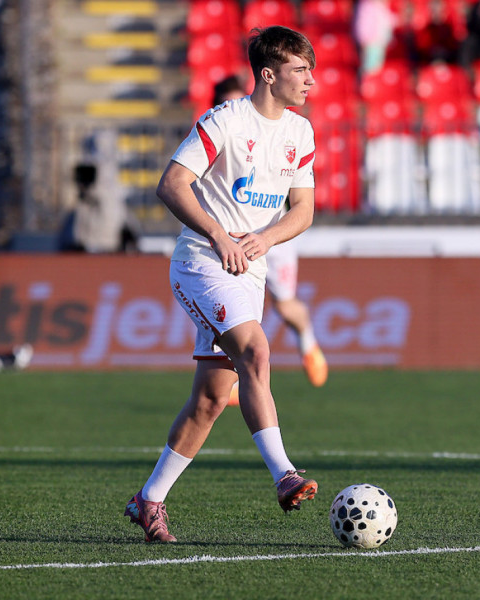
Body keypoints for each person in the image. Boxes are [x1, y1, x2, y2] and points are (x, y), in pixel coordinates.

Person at [123, 26, 319, 543]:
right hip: (201, 262)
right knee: (256, 350)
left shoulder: (300, 133)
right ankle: (285, 475)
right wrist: (217, 234)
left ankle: (149, 500)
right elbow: (171, 183)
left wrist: (264, 238)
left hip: (248, 272)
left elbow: (304, 210)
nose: (311, 81)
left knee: (211, 400)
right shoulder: (226, 120)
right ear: (269, 74)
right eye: (301, 70)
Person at [211, 76, 329, 404]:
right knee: (234, 308)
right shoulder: (217, 132)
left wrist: (269, 236)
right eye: (225, 104)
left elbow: (301, 201)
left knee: (285, 305)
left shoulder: (276, 131)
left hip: (273, 238)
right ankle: (236, 377)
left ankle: (308, 341)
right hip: (233, 238)